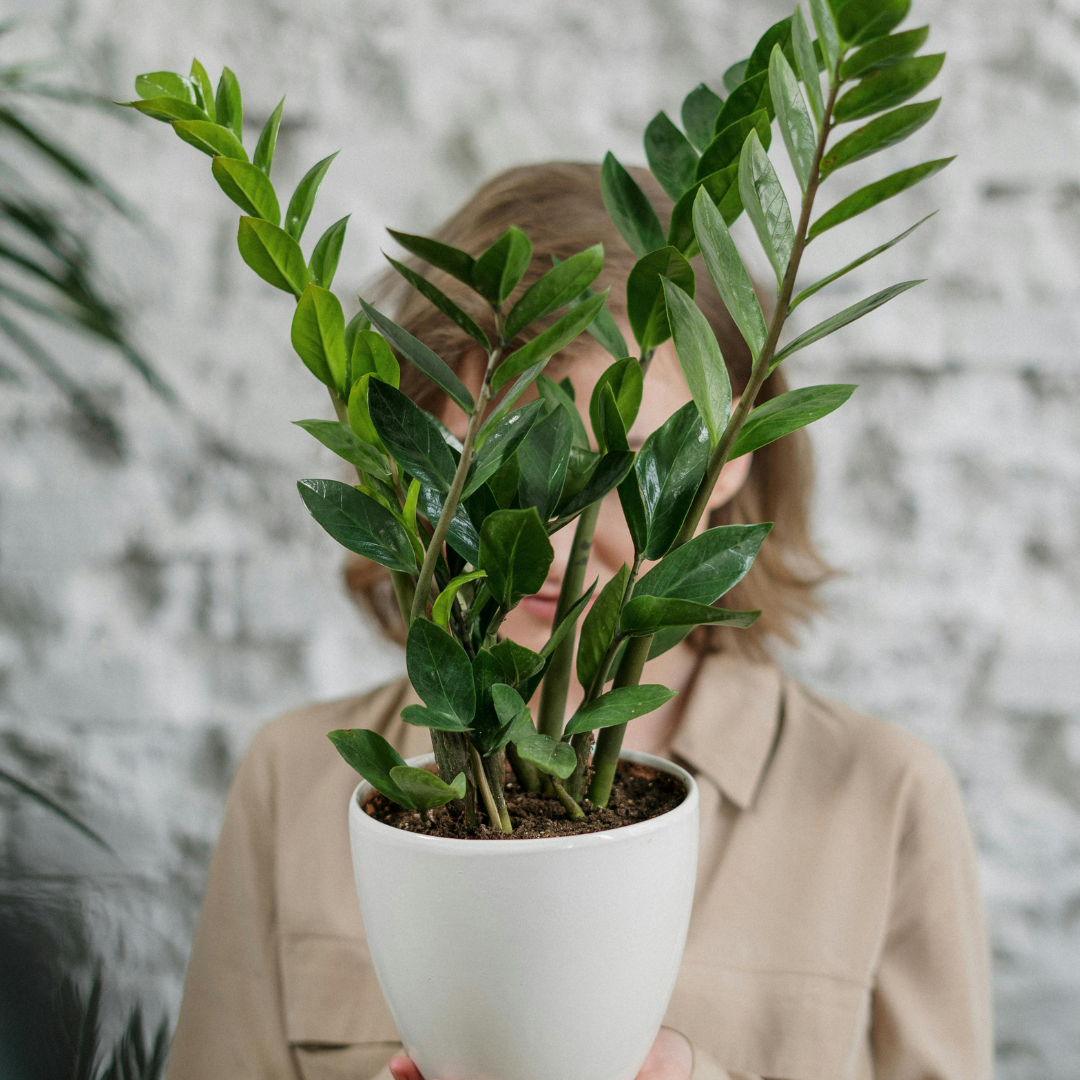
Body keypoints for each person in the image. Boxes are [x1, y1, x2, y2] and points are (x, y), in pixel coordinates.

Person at [164, 163, 993, 1080]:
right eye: (495, 469)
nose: (550, 547)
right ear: (409, 469)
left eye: (622, 467)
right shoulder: (297, 780)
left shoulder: (883, 798)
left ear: (728, 455)